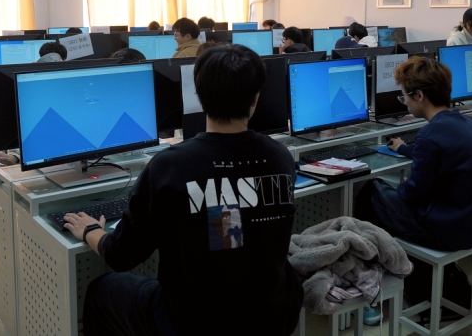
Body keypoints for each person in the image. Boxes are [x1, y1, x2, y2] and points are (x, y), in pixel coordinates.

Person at [63, 44, 303, 335]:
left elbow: (121, 256)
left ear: (198, 95)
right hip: (274, 315)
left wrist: (91, 231)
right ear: (255, 98)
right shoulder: (280, 157)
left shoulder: (171, 166)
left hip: (195, 322)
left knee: (102, 290)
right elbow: (232, 231)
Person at [356, 56, 472, 252]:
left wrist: (405, 185)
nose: (405, 102)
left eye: (404, 96)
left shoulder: (430, 134)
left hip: (448, 232)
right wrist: (403, 148)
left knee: (371, 189)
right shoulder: (465, 123)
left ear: (419, 95)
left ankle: (374, 259)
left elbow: (412, 196)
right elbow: (436, 152)